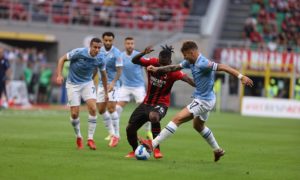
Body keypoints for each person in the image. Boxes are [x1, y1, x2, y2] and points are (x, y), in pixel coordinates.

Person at [142, 41, 253, 162]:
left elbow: (223, 67)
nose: (184, 58)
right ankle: (217, 150)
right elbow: (174, 67)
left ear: (192, 52)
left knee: (177, 119)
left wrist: (241, 77)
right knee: (198, 126)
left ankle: (152, 144)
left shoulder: (203, 63)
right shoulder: (190, 62)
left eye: (185, 55)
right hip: (206, 99)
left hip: (204, 100)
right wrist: (157, 69)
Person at [125, 45, 195, 159]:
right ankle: (135, 150)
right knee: (130, 129)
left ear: (170, 62)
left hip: (161, 104)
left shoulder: (174, 72)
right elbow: (134, 60)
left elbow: (188, 80)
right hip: (146, 103)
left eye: (165, 64)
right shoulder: (152, 62)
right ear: (158, 59)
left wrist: (203, 85)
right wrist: (143, 52)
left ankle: (156, 148)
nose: (161, 67)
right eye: (160, 63)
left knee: (153, 117)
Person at [56, 37, 108, 150]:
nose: (97, 50)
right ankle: (78, 136)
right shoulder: (79, 52)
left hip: (87, 83)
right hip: (72, 84)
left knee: (93, 108)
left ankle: (90, 139)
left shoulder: (101, 58)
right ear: (90, 46)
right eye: (95, 47)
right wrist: (59, 75)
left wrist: (105, 91)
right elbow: (62, 59)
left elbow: (103, 75)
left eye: (99, 48)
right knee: (74, 114)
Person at [116, 37, 152, 140]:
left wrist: (149, 82)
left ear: (134, 44)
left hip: (138, 87)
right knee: (117, 109)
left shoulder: (138, 56)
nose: (130, 45)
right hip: (125, 86)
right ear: (125, 44)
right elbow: (117, 69)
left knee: (145, 110)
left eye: (132, 43)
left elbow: (146, 67)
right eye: (128, 43)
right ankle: (115, 134)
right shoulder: (121, 56)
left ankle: (148, 131)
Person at [96, 32, 123, 147]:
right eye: (106, 40)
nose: (108, 42)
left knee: (111, 108)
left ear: (113, 41)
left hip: (113, 84)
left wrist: (113, 83)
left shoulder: (117, 53)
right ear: (103, 40)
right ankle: (111, 133)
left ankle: (116, 135)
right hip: (102, 84)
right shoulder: (99, 51)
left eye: (110, 41)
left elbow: (119, 71)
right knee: (101, 110)